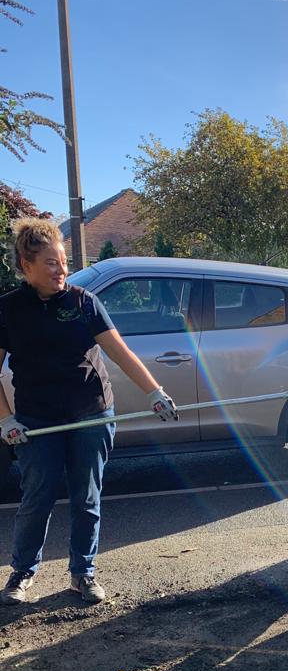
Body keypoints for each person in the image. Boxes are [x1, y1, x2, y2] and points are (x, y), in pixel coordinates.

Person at [0, 218, 178, 605]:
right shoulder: (8, 309)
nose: (60, 270)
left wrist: (155, 392)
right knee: (37, 497)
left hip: (91, 414)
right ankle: (22, 572)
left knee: (86, 497)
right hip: (36, 420)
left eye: (63, 261)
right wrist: (5, 419)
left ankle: (83, 572)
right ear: (26, 265)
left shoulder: (83, 302)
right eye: (50, 263)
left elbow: (120, 353)